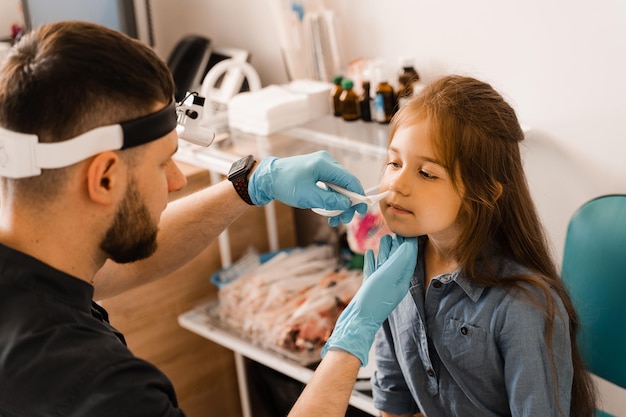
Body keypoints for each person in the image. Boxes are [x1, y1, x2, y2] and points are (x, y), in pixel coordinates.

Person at [0, 21, 418, 417]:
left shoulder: (30, 263)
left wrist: (252, 183)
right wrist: (351, 338)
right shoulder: (98, 389)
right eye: (164, 163)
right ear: (104, 178)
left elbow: (108, 269)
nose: (178, 180)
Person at [369, 74, 597, 417]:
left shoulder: (523, 308)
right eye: (394, 162)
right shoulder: (394, 275)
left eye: (427, 173)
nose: (396, 184)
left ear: (484, 192)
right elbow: (394, 403)